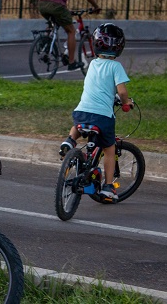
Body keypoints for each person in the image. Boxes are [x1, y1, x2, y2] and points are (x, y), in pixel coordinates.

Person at [58, 23, 133, 202]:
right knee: (109, 148)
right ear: (119, 47)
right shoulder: (116, 67)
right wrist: (125, 103)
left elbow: (99, 86)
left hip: (82, 111)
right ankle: (108, 187)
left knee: (78, 123)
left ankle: (70, 141)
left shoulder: (92, 65)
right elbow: (121, 92)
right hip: (103, 117)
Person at [38, 0, 101, 71]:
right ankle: (71, 62)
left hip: (42, 4)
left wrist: (65, 9)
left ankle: (46, 42)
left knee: (53, 21)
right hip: (56, 6)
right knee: (71, 31)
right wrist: (96, 6)